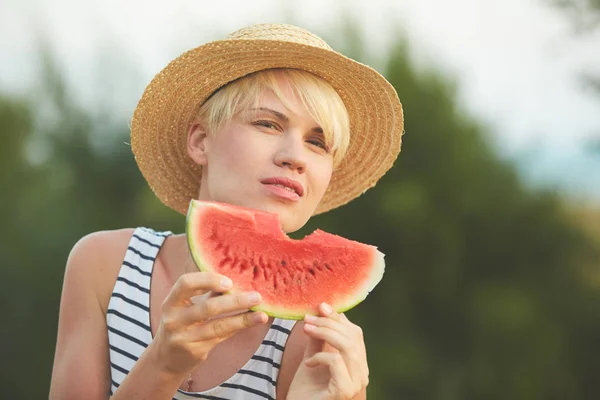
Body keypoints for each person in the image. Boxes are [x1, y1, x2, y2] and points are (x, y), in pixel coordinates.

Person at [49, 23, 403, 400]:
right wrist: (162, 366)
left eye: (317, 142)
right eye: (267, 123)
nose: (295, 157)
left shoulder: (313, 339)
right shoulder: (105, 266)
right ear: (201, 141)